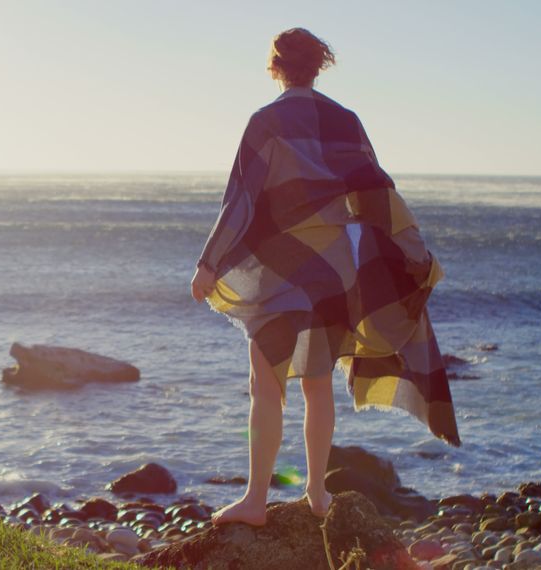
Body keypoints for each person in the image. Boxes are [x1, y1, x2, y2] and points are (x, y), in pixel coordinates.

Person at [191, 28, 461, 527]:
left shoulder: (264, 124)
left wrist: (210, 263)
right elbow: (377, 192)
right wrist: (413, 252)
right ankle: (316, 493)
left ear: (275, 67)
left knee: (266, 387)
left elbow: (241, 201)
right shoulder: (346, 121)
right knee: (318, 385)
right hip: (334, 271)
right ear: (319, 66)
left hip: (282, 274)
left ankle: (255, 501)